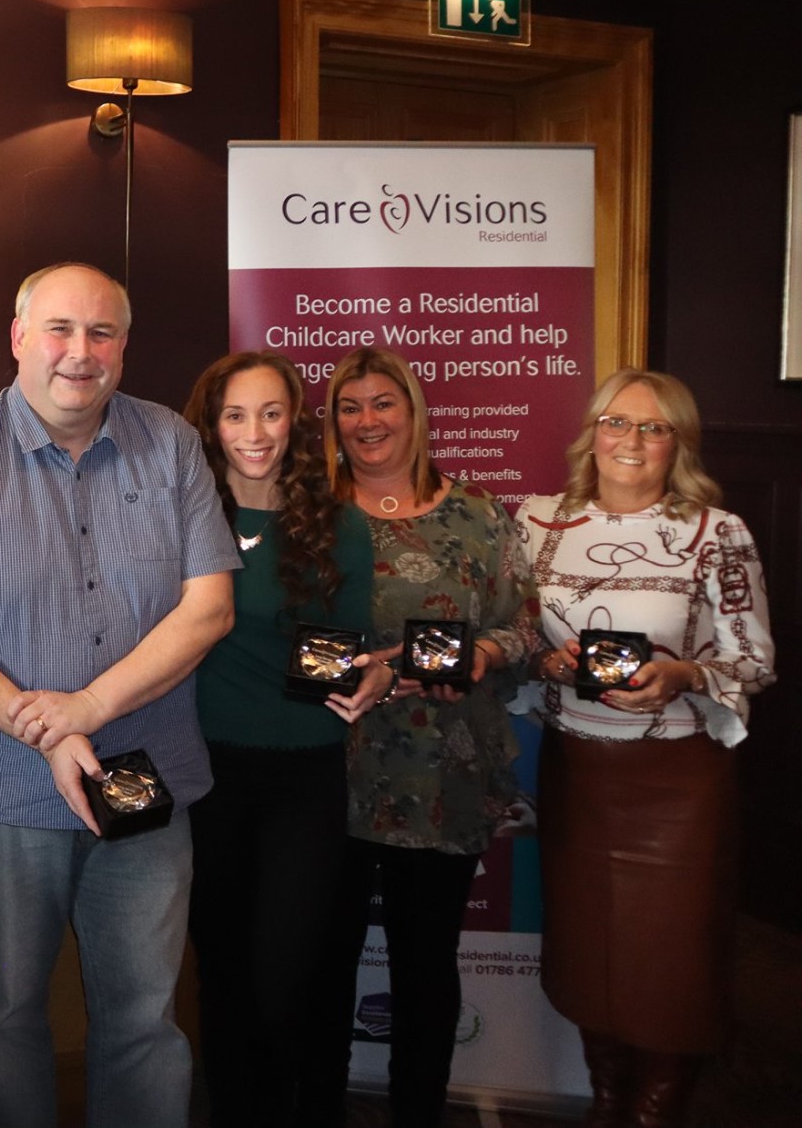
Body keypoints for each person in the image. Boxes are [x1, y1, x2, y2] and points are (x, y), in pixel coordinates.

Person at [0, 262, 239, 1128]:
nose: (79, 353)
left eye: (102, 333)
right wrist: (44, 729)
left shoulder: (172, 443)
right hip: (4, 788)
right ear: (17, 337)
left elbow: (210, 609)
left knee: (144, 1017)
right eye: (59, 329)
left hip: (145, 781)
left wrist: (87, 709)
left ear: (124, 345)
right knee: (6, 1013)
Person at [516, 369, 773, 1128]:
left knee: (674, 958)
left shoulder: (717, 532)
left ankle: (656, 1109)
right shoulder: (537, 521)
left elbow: (753, 660)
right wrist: (547, 660)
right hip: (580, 773)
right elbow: (519, 638)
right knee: (589, 950)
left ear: (678, 444)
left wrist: (683, 673)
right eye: (616, 422)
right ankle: (605, 1097)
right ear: (592, 431)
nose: (630, 440)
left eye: (654, 428)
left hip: (679, 784)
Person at [314, 347, 540, 1128]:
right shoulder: (308, 511)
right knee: (320, 962)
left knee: (424, 965)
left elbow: (524, 626)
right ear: (333, 424)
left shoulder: (477, 512)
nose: (368, 420)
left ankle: (418, 1113)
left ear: (413, 412)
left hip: (442, 779)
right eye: (350, 406)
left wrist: (480, 652)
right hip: (324, 773)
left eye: (384, 403)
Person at [179, 350, 388, 1128]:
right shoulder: (181, 515)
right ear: (212, 424)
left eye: (271, 413)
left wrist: (379, 675)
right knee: (223, 973)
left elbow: (344, 655)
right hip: (205, 772)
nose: (255, 432)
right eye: (236, 414)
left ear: (295, 423)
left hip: (305, 773)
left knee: (283, 974)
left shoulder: (337, 524)